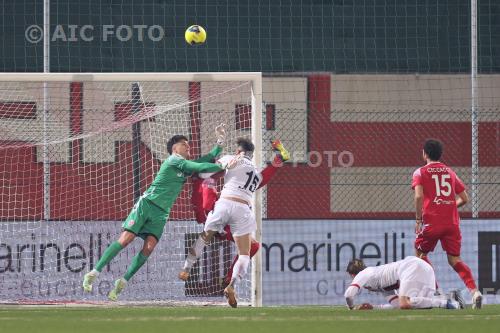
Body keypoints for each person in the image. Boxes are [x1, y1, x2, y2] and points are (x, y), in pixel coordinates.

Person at [82, 124, 237, 301]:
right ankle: (93, 273)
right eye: (183, 144)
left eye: (188, 144)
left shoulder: (185, 166)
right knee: (126, 239)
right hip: (147, 204)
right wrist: (223, 165)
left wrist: (220, 141)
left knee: (149, 248)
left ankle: (122, 282)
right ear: (174, 148)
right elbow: (202, 167)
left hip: (161, 213)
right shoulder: (174, 160)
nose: (188, 146)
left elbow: (208, 158)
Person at [179, 138, 290, 307]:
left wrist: (198, 170)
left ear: (239, 151)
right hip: (243, 209)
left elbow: (205, 173)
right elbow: (266, 176)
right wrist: (278, 160)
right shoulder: (255, 171)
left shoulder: (230, 158)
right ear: (251, 156)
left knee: (203, 238)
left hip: (223, 204)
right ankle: (232, 285)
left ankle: (186, 269)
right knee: (245, 253)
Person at [412, 139, 482, 309]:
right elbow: (464, 198)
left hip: (432, 222)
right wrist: (449, 205)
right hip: (452, 222)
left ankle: (437, 292)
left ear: (424, 154)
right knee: (455, 259)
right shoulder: (450, 172)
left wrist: (418, 219)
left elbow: (418, 196)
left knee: (419, 255)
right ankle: (475, 292)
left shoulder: (419, 172)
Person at [344, 257, 463, 310]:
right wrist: (373, 308)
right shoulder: (378, 281)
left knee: (405, 303)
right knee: (419, 305)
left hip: (410, 266)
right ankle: (451, 297)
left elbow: (348, 295)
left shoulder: (364, 273)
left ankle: (445, 303)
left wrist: (351, 308)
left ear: (353, 275)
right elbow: (396, 305)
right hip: (424, 267)